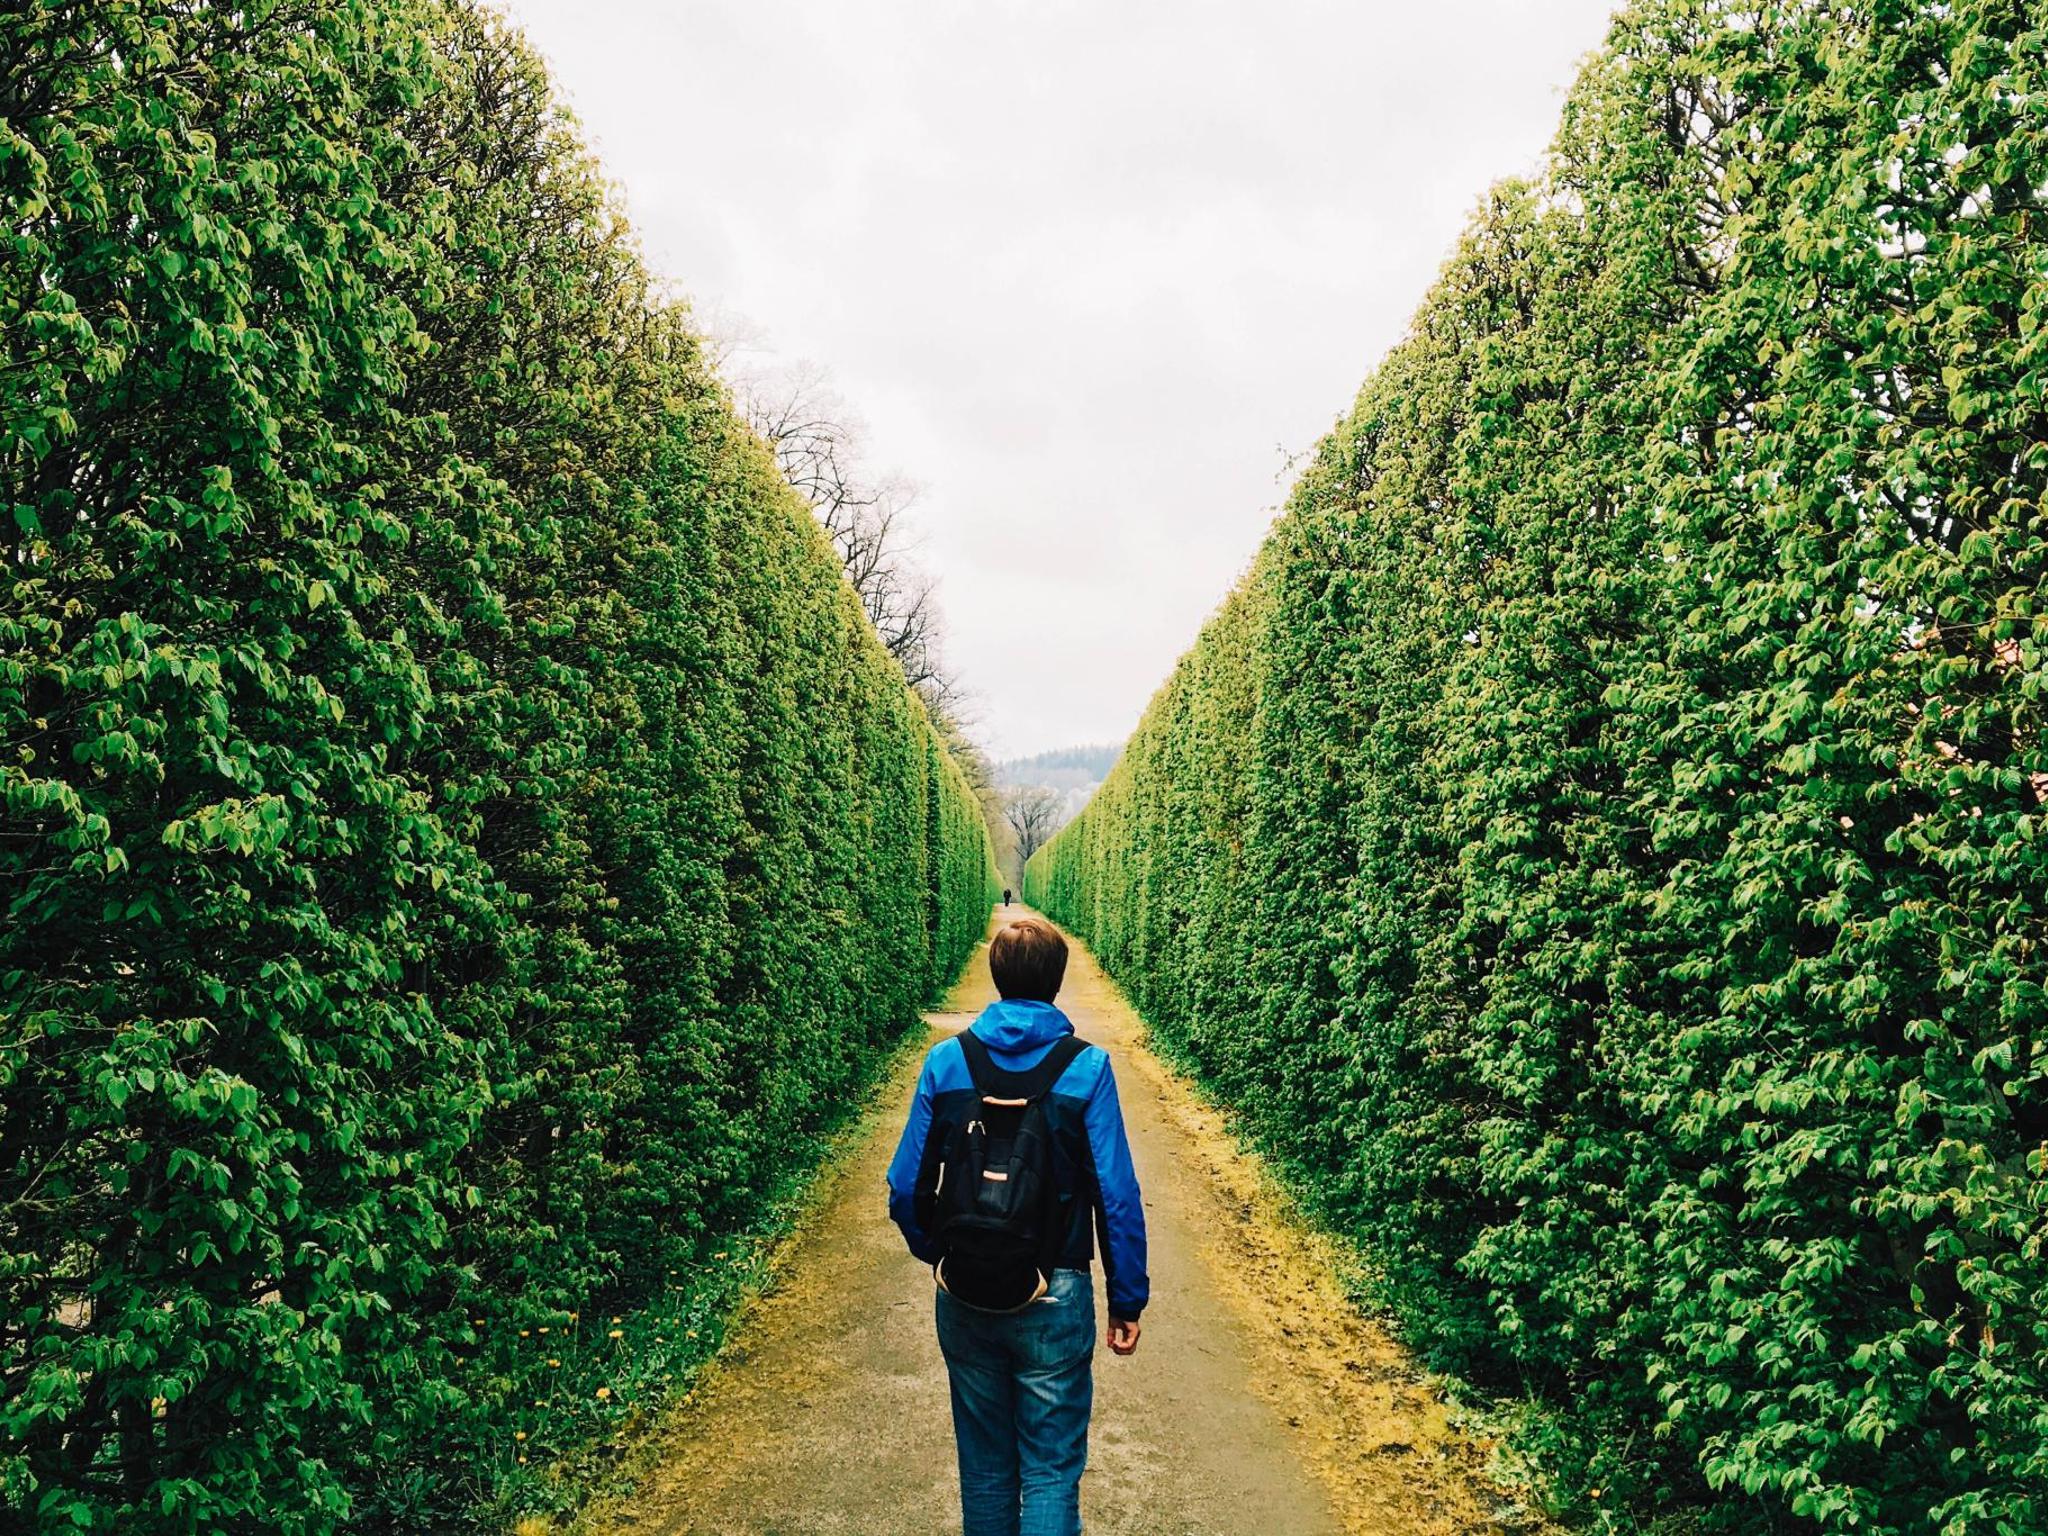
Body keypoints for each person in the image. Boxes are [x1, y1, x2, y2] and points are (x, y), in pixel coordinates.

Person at [886, 918, 1147, 1536]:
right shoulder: (1087, 1069)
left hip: (966, 1291)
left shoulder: (947, 1062)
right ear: (1056, 982)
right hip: (1053, 1287)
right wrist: (1126, 1298)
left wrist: (942, 1255)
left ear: (997, 978)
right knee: (1052, 1468)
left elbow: (904, 1189)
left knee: (984, 1467)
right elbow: (1116, 1195)